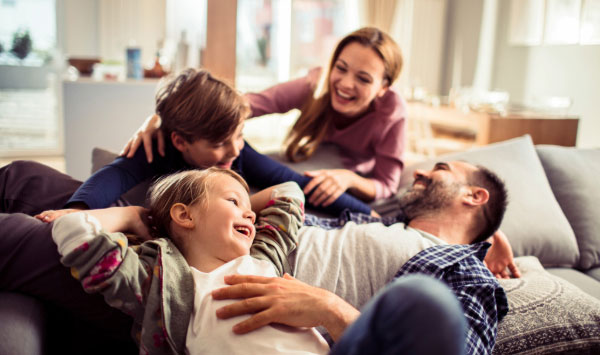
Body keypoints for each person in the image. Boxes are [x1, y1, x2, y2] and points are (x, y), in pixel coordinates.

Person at [50, 168, 467, 354]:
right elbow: (75, 234)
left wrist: (231, 206)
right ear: (184, 216)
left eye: (248, 205)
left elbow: (289, 193)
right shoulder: (159, 280)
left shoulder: (265, 257)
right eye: (234, 201)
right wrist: (134, 215)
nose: (250, 212)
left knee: (424, 298)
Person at [210, 160, 511, 354]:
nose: (420, 171)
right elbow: (269, 172)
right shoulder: (375, 222)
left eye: (440, 168)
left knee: (427, 299)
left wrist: (329, 309)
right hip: (213, 260)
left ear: (474, 196)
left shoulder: (469, 275)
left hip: (267, 335)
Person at [31, 67, 374, 222]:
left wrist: (367, 213)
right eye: (221, 143)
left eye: (239, 135)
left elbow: (294, 180)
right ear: (180, 141)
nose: (234, 149)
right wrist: (78, 211)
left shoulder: (238, 154)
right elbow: (115, 175)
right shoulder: (159, 150)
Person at [123, 27, 406, 208]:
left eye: (363, 78)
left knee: (277, 184)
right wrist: (162, 118)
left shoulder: (391, 113)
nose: (345, 83)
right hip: (308, 157)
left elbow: (387, 184)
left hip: (348, 172)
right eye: (341, 68)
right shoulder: (314, 85)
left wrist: (349, 180)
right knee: (255, 170)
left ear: (383, 87)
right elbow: (238, 106)